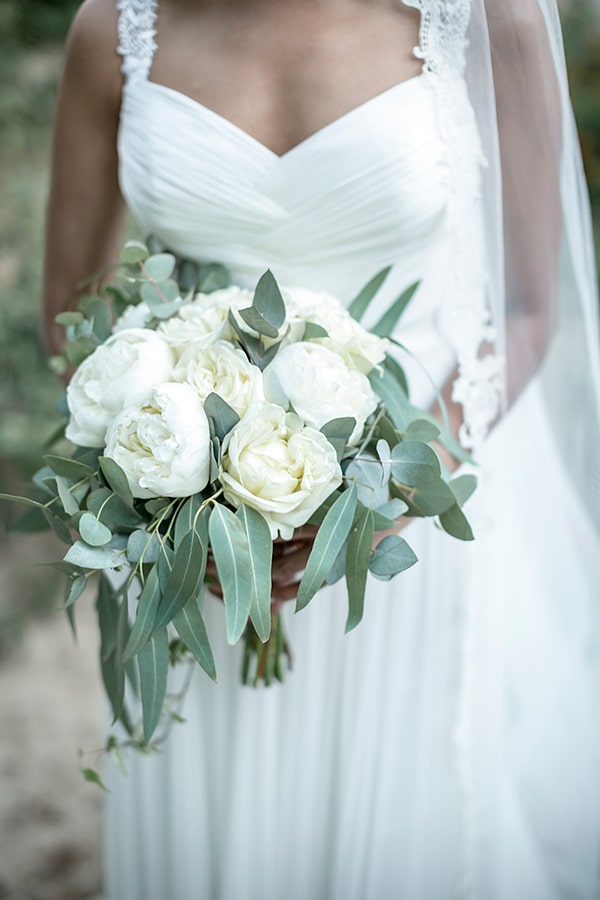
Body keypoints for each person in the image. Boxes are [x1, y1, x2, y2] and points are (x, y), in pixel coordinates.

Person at [43, 0, 600, 897]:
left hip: (406, 532)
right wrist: (177, 495)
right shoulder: (114, 29)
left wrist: (393, 496)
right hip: (192, 565)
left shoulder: (484, 17)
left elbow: (526, 309)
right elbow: (71, 320)